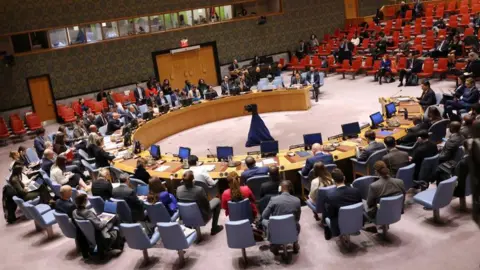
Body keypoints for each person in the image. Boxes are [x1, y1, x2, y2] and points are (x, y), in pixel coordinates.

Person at [177, 171, 223, 235]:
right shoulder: (199, 190)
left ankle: (190, 226)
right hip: (202, 218)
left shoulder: (178, 189)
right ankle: (214, 228)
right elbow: (206, 205)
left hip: (186, 217)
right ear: (193, 180)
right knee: (217, 201)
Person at [262, 180, 301, 254]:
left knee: (263, 221)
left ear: (280, 189)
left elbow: (264, 215)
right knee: (297, 224)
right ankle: (295, 242)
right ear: (291, 189)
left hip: (276, 229)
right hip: (291, 228)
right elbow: (298, 218)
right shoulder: (297, 200)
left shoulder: (273, 200)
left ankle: (273, 243)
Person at [323, 169, 362, 239]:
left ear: (333, 181)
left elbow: (331, 214)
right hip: (357, 221)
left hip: (339, 226)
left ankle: (328, 234)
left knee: (326, 215)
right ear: (344, 178)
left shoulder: (330, 196)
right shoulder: (356, 191)